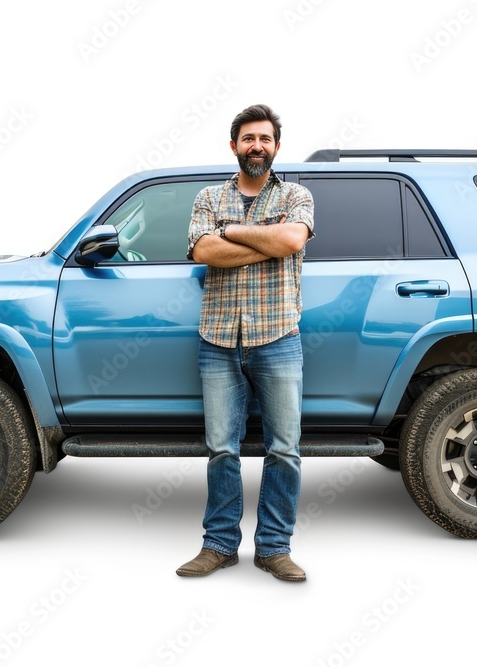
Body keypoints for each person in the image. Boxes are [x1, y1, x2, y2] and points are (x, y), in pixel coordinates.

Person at [177, 104, 314, 582]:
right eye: (249, 138)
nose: (257, 146)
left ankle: (274, 548)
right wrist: (264, 239)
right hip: (218, 338)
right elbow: (203, 250)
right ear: (233, 144)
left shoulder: (297, 194)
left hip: (278, 336)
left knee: (284, 449)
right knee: (220, 448)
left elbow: (292, 241)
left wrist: (231, 232)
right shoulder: (208, 196)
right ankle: (219, 545)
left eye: (266, 139)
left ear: (276, 146)